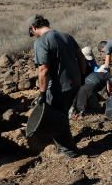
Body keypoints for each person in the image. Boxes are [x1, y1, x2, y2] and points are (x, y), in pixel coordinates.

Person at [27, 14, 86, 158]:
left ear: (34, 28)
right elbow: (81, 58)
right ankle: (66, 145)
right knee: (63, 113)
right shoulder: (66, 36)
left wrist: (42, 93)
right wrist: (82, 77)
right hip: (75, 82)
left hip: (59, 86)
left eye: (32, 33)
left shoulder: (42, 41)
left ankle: (69, 152)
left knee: (55, 118)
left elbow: (43, 69)